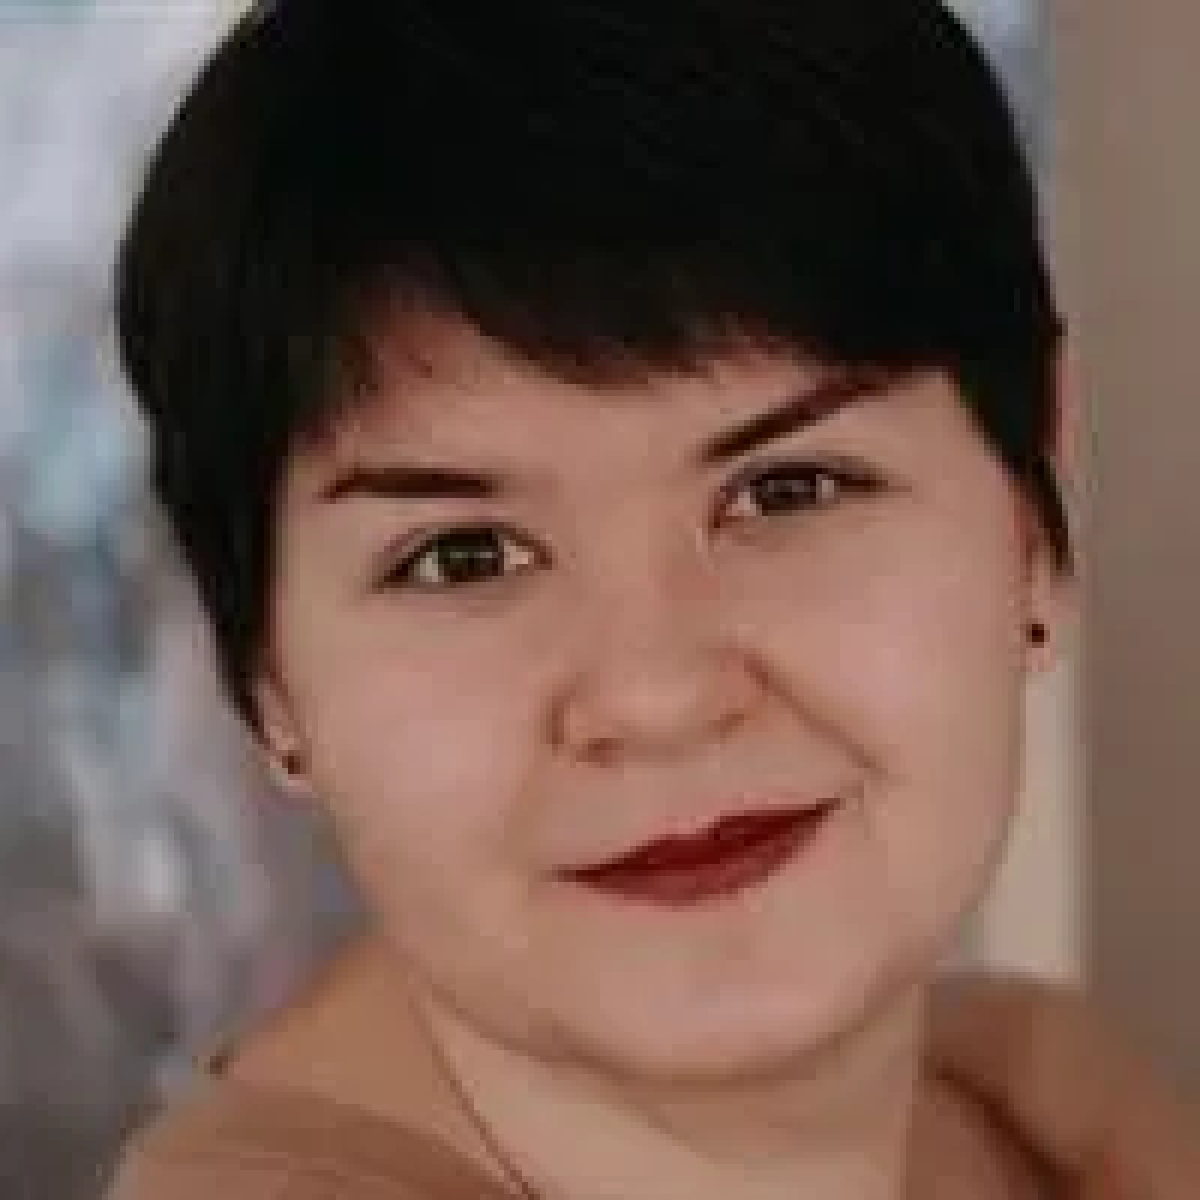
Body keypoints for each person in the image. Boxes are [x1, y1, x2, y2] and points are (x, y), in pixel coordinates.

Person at [102, 1, 1196, 1196]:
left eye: (788, 489)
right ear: (267, 677)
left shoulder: (1041, 1097)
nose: (659, 697)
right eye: (464, 557)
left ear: (1033, 499)